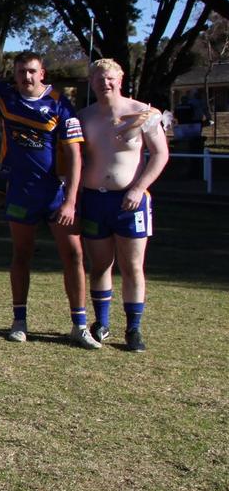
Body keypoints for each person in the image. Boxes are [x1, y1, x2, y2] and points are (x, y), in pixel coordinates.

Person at [0, 51, 98, 349]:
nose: (26, 77)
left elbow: (75, 156)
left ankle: (79, 324)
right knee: (21, 255)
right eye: (21, 71)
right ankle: (19, 321)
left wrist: (71, 201)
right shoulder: (5, 97)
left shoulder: (60, 104)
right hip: (21, 191)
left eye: (32, 71)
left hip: (56, 194)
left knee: (73, 256)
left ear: (42, 73)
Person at [78, 59, 168, 352]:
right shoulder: (84, 116)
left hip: (130, 201)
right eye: (99, 78)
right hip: (94, 199)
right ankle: (101, 323)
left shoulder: (142, 113)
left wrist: (139, 188)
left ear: (121, 80)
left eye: (111, 78)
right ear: (91, 82)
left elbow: (160, 155)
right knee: (100, 264)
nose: (106, 83)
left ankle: (134, 328)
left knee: (132, 266)